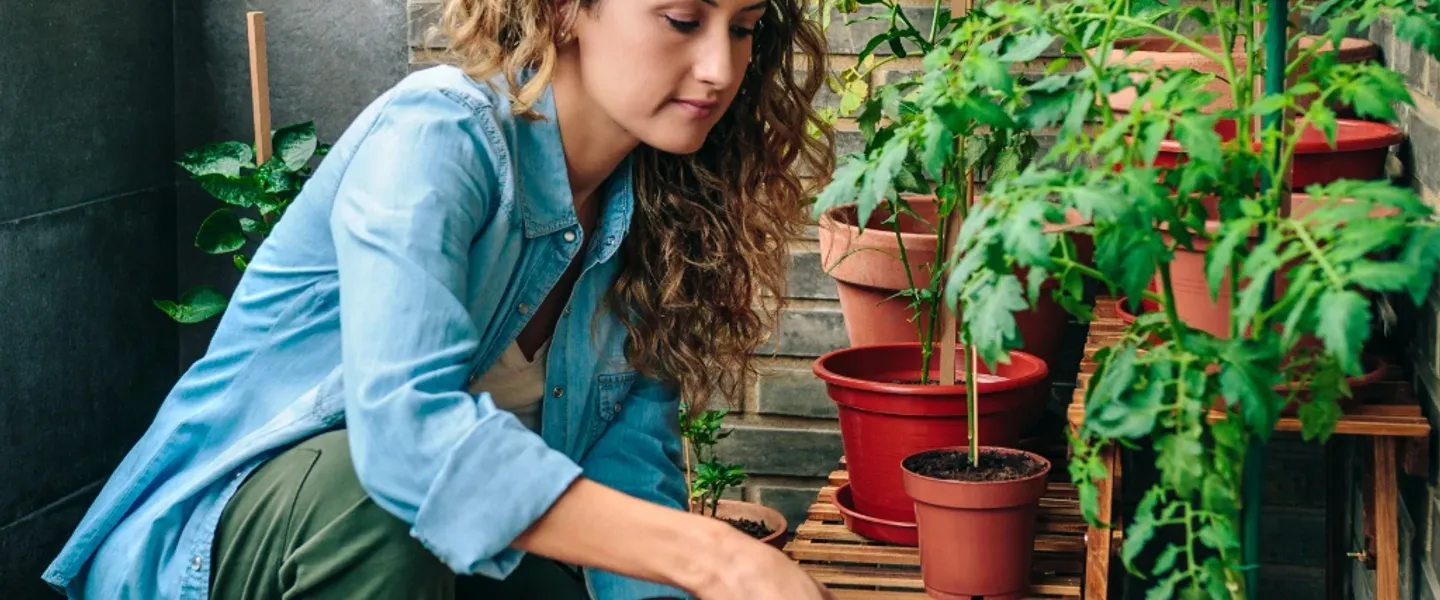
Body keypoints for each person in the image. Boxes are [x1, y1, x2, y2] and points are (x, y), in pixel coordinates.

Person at [41, 0, 837, 598]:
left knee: (572, 570)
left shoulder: (654, 223)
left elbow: (628, 477)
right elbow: (405, 438)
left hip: (430, 567)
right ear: (564, 10)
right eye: (683, 18)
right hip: (226, 553)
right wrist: (721, 555)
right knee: (378, 497)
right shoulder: (438, 137)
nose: (721, 68)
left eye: (744, 27)